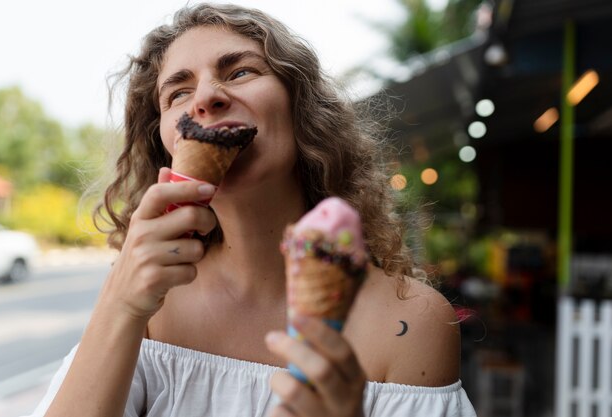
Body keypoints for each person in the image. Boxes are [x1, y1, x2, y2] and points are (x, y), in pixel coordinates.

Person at [27, 3, 476, 417]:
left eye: (240, 72)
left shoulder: (411, 322)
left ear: (302, 110)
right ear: (163, 142)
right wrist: (120, 302)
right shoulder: (148, 308)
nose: (205, 97)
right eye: (177, 93)